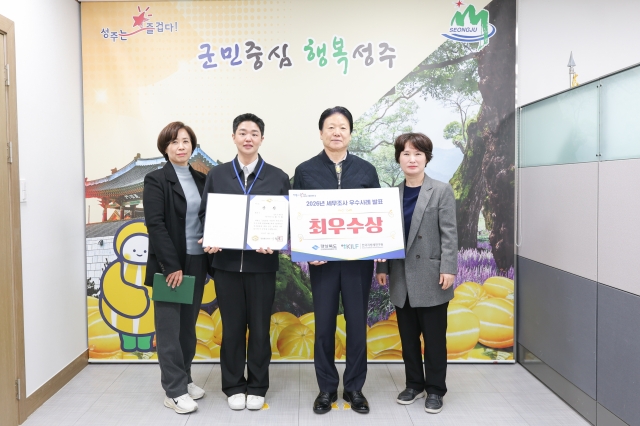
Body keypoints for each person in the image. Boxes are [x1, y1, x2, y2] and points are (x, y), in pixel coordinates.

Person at [199, 113, 290, 411]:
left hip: (262, 266)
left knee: (261, 329)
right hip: (226, 265)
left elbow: (286, 218)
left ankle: (258, 385)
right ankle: (234, 385)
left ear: (262, 138)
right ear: (234, 137)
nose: (248, 138)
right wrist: (211, 236)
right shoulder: (218, 174)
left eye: (254, 133)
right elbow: (206, 213)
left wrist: (276, 240)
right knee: (232, 328)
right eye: (242, 132)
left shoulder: (277, 177)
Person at [293, 106, 380, 415]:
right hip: (323, 264)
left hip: (358, 263)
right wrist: (307, 252)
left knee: (357, 325)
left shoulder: (366, 170)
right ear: (321, 133)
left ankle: (355, 388)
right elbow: (297, 216)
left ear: (350, 134)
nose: (337, 132)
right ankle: (327, 388)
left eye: (343, 127)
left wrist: (380, 259)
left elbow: (377, 215)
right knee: (324, 326)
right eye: (330, 127)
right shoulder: (305, 170)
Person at [376, 132, 457, 414]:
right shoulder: (391, 195)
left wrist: (448, 267)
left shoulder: (441, 190)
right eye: (406, 154)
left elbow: (450, 233)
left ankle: (435, 389)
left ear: (426, 158)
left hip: (432, 275)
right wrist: (382, 267)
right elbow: (384, 236)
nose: (412, 159)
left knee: (434, 339)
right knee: (408, 338)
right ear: (399, 158)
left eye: (418, 154)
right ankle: (414, 384)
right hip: (401, 276)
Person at [143, 121, 208, 414]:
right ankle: (173, 391)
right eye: (174, 142)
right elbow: (155, 225)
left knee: (187, 328)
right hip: (171, 264)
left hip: (198, 260)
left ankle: (185, 378)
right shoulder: (156, 180)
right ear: (165, 148)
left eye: (185, 141)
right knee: (169, 329)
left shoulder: (202, 179)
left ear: (192, 145)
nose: (181, 147)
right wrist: (171, 266)